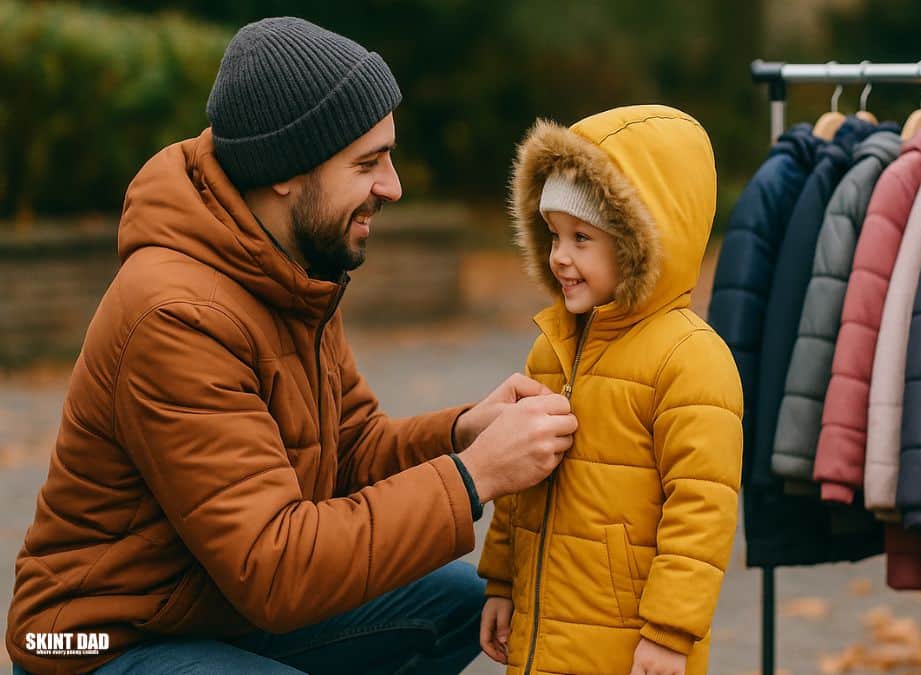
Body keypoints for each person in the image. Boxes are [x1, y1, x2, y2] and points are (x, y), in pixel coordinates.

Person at [5, 17, 577, 675]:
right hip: (91, 638)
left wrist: (462, 432)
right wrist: (477, 475)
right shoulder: (176, 316)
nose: (392, 187)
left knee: (462, 603)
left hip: (218, 609)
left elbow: (351, 453)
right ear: (284, 171)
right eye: (367, 163)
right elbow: (275, 568)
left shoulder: (291, 266)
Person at [476, 105, 744, 675]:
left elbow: (702, 508)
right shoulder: (553, 345)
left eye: (582, 237)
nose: (560, 257)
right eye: (552, 235)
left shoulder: (690, 359)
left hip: (633, 646)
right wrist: (501, 580)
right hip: (544, 631)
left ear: (642, 242)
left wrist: (671, 631)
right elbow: (515, 480)